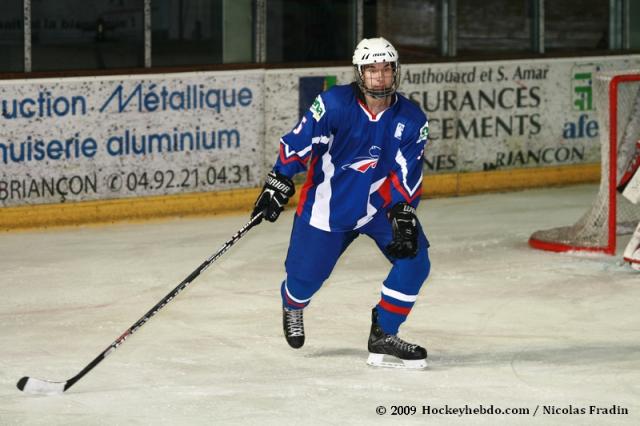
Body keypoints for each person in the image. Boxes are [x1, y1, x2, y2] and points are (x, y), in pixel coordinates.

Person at [251, 37, 431, 369]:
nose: (380, 77)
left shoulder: (412, 118)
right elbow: (300, 142)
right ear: (359, 73)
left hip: (378, 207)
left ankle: (384, 334)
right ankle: (293, 304)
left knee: (415, 261)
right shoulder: (334, 104)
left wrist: (403, 209)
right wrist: (280, 177)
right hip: (328, 208)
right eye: (371, 69)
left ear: (396, 72)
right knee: (304, 281)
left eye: (386, 69)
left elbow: (408, 172)